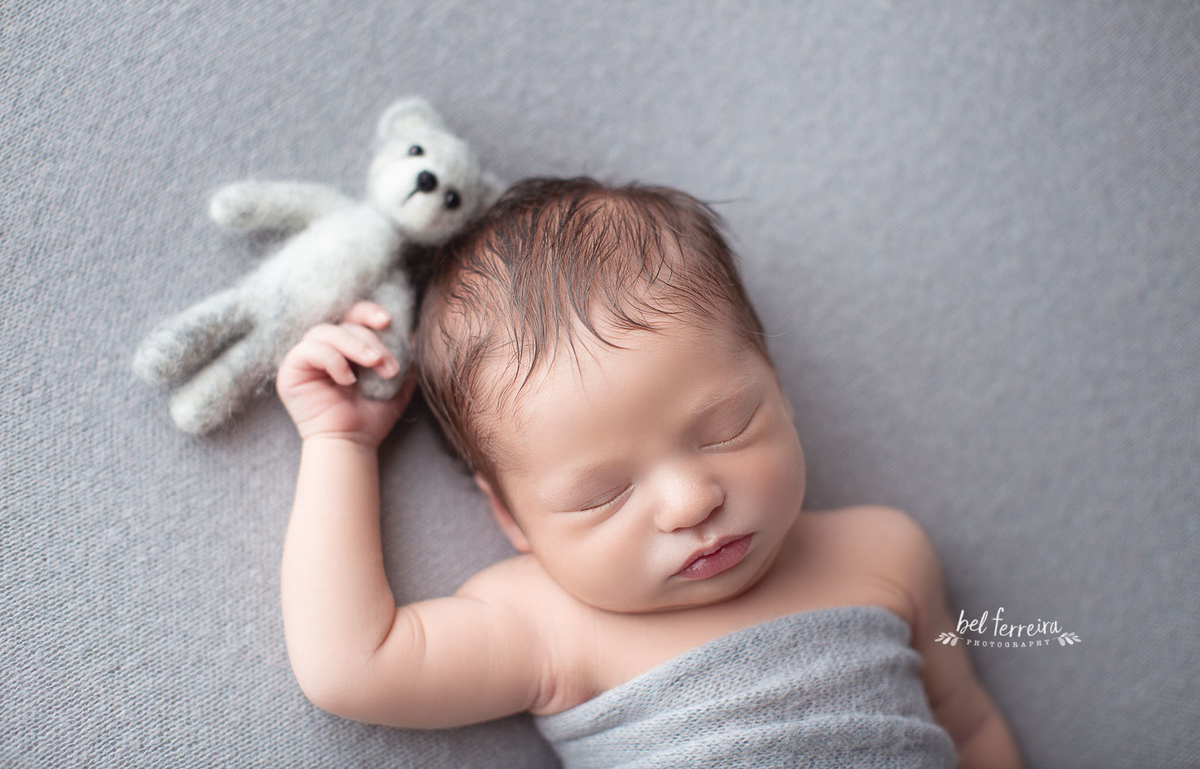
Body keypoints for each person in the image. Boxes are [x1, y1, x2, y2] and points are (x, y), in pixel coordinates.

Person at [276, 177, 1023, 767]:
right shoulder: (551, 626)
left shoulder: (885, 553)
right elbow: (352, 667)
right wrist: (339, 443)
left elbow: (967, 725)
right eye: (603, 495)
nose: (691, 502)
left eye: (728, 429)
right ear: (510, 518)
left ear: (778, 389)